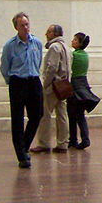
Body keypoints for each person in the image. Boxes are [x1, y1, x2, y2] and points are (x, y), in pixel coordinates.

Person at [0, 12, 43, 168]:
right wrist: (11, 81)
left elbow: (39, 62)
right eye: (22, 25)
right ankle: (21, 155)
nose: (26, 28)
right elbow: (5, 67)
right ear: (16, 27)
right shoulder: (10, 46)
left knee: (37, 115)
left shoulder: (36, 42)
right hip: (18, 82)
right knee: (17, 119)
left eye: (27, 24)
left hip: (34, 81)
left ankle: (24, 146)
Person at [32, 24, 73, 153]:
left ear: (55, 34)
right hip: (64, 85)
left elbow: (52, 67)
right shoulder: (67, 47)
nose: (46, 34)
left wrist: (46, 83)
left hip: (54, 86)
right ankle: (63, 142)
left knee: (45, 114)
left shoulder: (54, 47)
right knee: (62, 114)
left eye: (49, 32)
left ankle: (44, 142)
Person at [67, 32, 99, 150]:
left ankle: (73, 140)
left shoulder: (73, 55)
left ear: (80, 43)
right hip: (84, 85)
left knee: (72, 113)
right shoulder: (85, 55)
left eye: (75, 40)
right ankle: (84, 138)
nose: (73, 41)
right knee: (80, 114)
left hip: (74, 85)